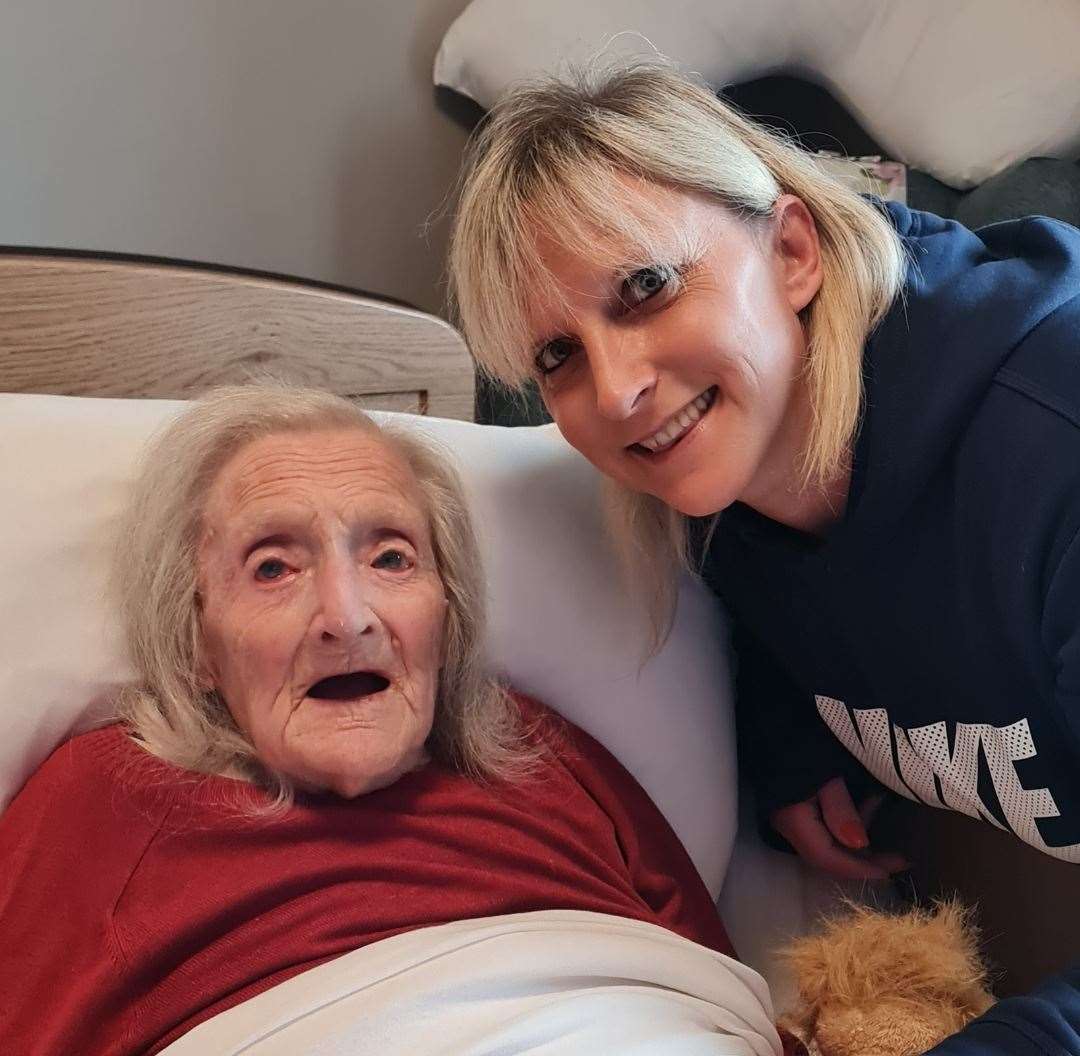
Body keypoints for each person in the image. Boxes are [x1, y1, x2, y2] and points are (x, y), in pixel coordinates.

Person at [447, 60, 1080, 1052]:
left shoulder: (1052, 445)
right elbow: (799, 600)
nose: (613, 392)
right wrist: (792, 740)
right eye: (558, 357)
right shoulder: (720, 499)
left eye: (646, 287)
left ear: (792, 250)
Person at [0, 386, 778, 1056]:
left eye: (392, 558)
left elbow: (723, 994)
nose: (347, 617)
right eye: (273, 567)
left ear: (448, 610)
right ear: (196, 639)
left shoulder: (540, 754)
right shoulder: (104, 799)